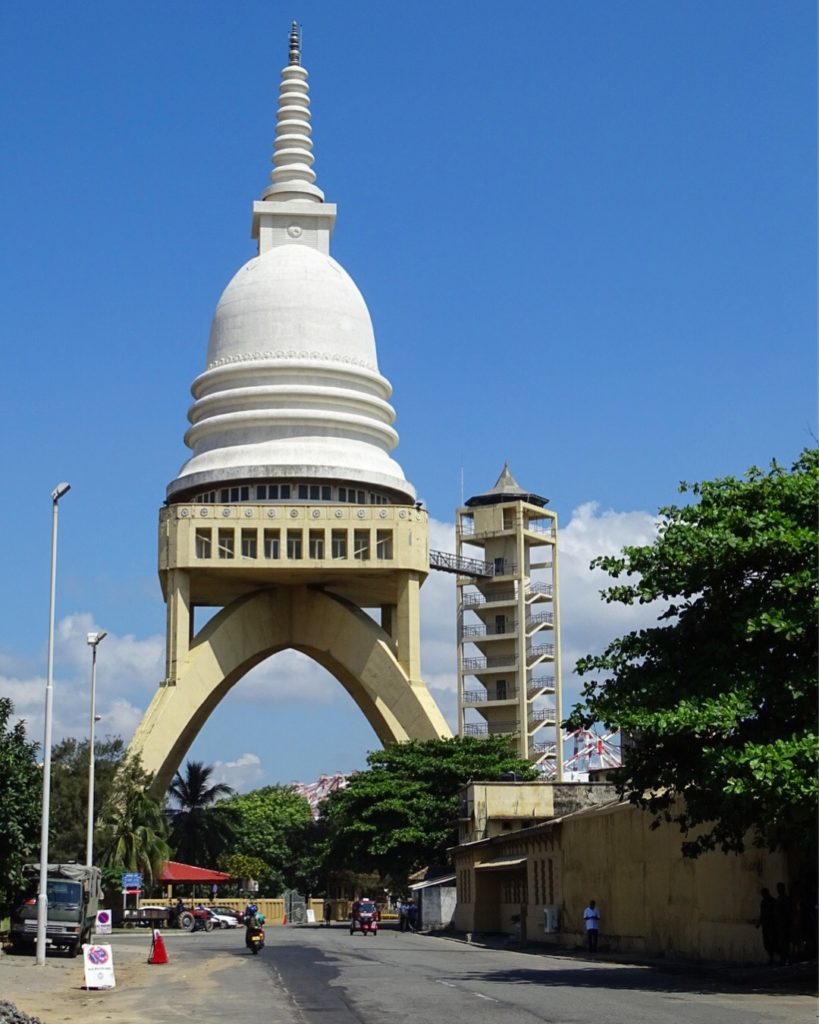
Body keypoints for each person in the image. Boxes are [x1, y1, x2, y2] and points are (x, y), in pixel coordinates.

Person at [756, 888, 778, 964]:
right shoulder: (763, 902)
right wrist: (759, 923)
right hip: (766, 925)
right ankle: (771, 957)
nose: (763, 895)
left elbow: (775, 913)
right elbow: (762, 914)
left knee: (773, 941)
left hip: (772, 925)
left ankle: (774, 957)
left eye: (764, 894)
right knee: (766, 942)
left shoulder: (773, 901)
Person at [774, 882, 791, 965]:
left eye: (780, 888)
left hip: (785, 924)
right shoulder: (779, 899)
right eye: (778, 888)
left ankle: (786, 959)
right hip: (780, 924)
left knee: (785, 943)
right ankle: (784, 958)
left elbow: (787, 912)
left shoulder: (785, 899)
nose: (778, 890)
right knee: (781, 942)